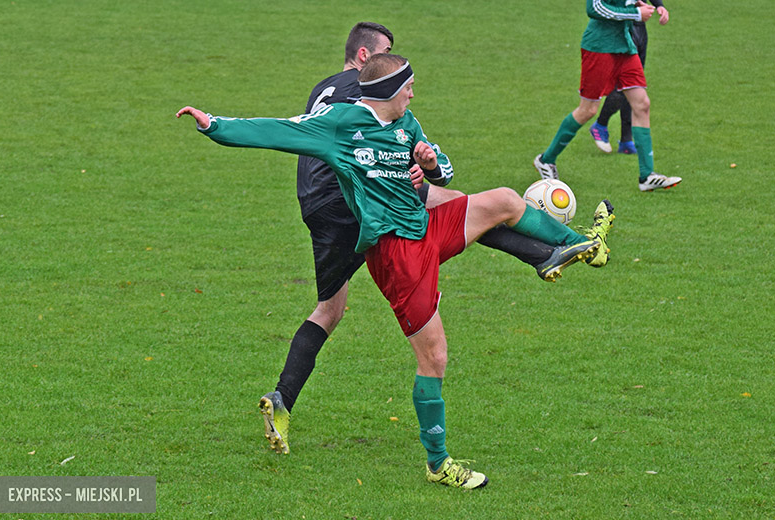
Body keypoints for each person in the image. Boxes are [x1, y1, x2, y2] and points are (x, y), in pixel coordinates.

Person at [176, 53, 615, 489]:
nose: (412, 91)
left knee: (502, 199)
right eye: (407, 85)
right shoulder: (341, 125)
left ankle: (573, 243)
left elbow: (442, 174)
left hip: (426, 230)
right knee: (435, 357)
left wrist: (428, 165)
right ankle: (439, 464)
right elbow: (275, 130)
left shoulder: (409, 125)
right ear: (389, 91)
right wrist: (213, 124)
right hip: (397, 258)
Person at [533, 0, 681, 192]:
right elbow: (594, 8)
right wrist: (636, 14)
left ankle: (647, 176)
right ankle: (546, 160)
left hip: (625, 46)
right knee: (588, 110)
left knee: (642, 104)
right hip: (599, 47)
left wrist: (657, 5)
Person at [588, 1, 669, 155]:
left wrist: (660, 5)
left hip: (640, 28)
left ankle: (626, 140)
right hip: (622, 29)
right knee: (624, 85)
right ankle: (601, 124)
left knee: (634, 86)